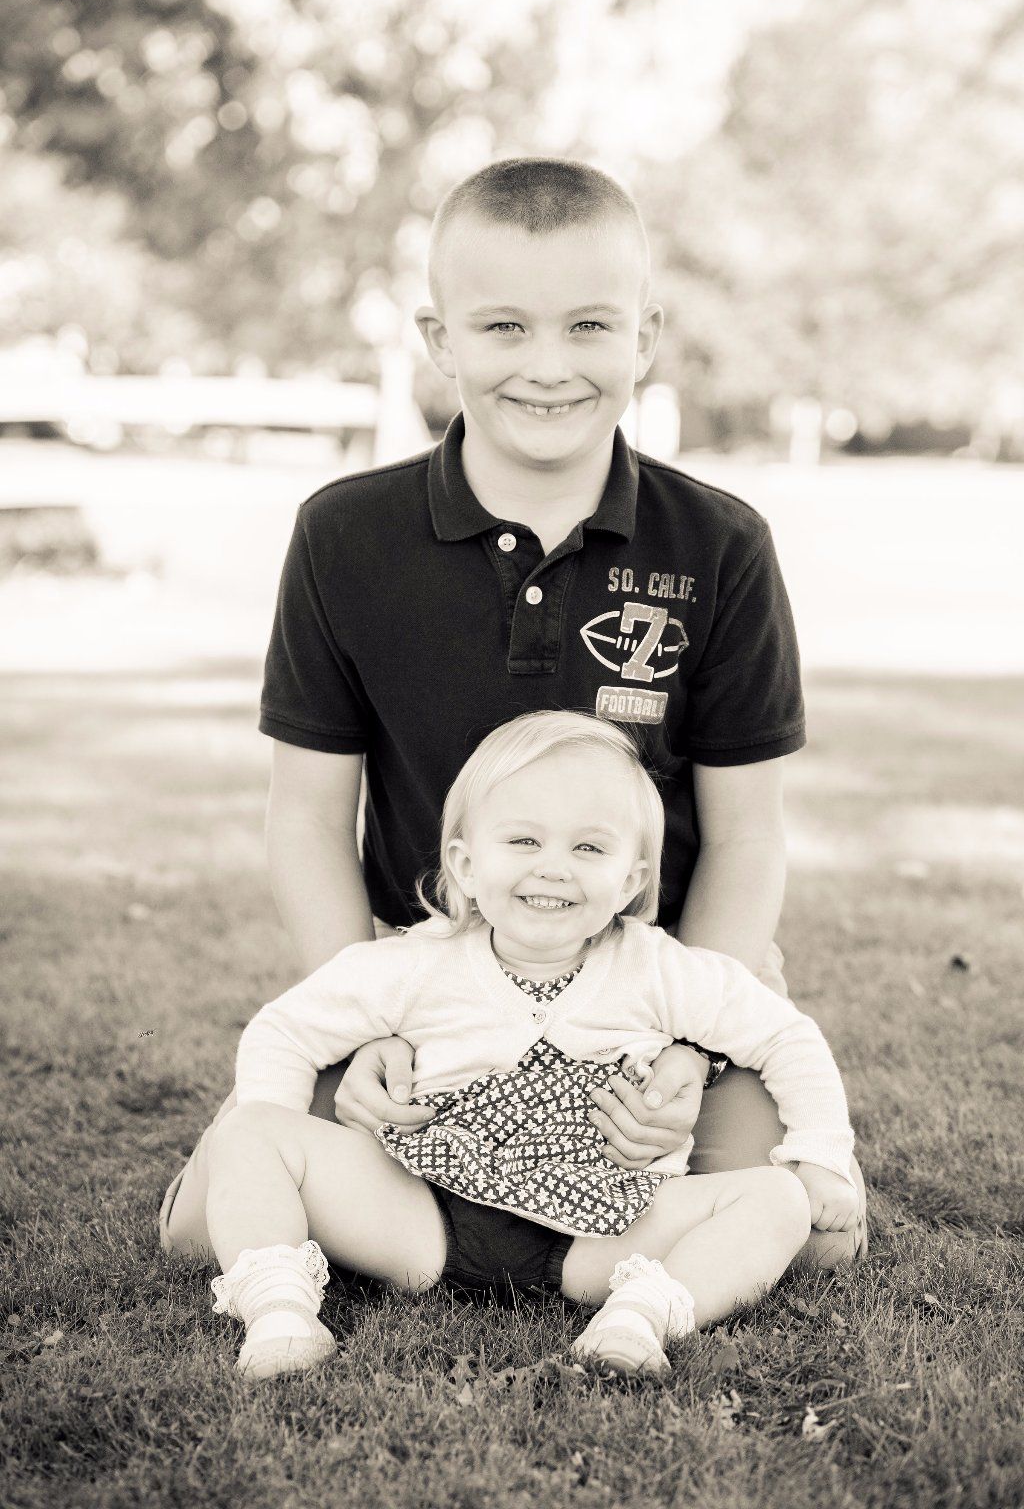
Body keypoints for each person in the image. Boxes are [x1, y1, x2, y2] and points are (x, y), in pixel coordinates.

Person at [160, 155, 867, 1268]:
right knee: (206, 1225)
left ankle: (526, 1221)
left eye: (589, 327)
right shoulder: (344, 535)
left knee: (815, 1240)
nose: (547, 367)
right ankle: (434, 1213)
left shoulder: (719, 544)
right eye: (503, 329)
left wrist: (682, 1046)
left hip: (658, 976)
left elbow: (745, 834)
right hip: (426, 972)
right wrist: (378, 1018)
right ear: (441, 341)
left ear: (644, 336)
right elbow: (306, 816)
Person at [204, 712, 857, 1381]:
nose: (553, 869)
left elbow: (786, 1036)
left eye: (589, 849)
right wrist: (283, 1138)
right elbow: (283, 1031)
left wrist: (821, 1154)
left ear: (630, 881)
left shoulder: (660, 969)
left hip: (605, 1233)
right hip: (425, 1212)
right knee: (250, 1130)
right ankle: (280, 1313)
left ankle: (637, 1318)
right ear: (465, 865)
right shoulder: (416, 963)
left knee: (778, 1199)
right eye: (523, 841)